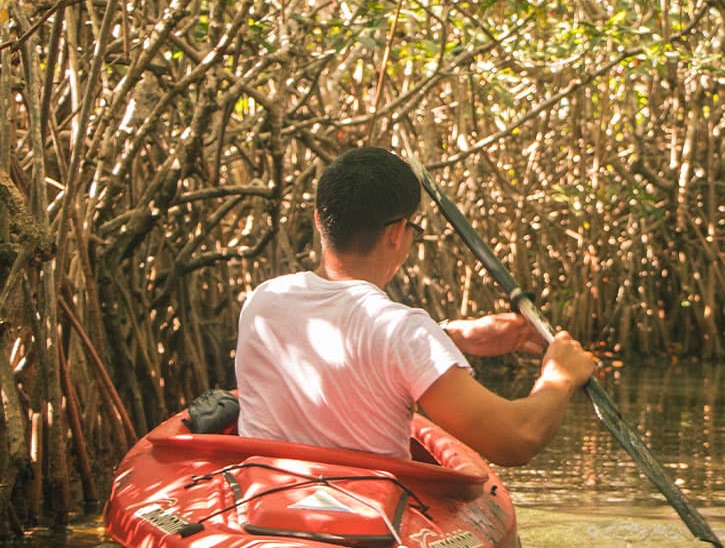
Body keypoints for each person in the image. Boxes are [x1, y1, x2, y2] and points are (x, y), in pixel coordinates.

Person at [235, 146, 596, 466]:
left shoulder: (264, 301)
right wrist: (559, 376)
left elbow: (356, 341)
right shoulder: (405, 332)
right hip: (362, 523)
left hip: (257, 506)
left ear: (319, 219)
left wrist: (454, 337)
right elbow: (516, 439)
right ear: (397, 232)